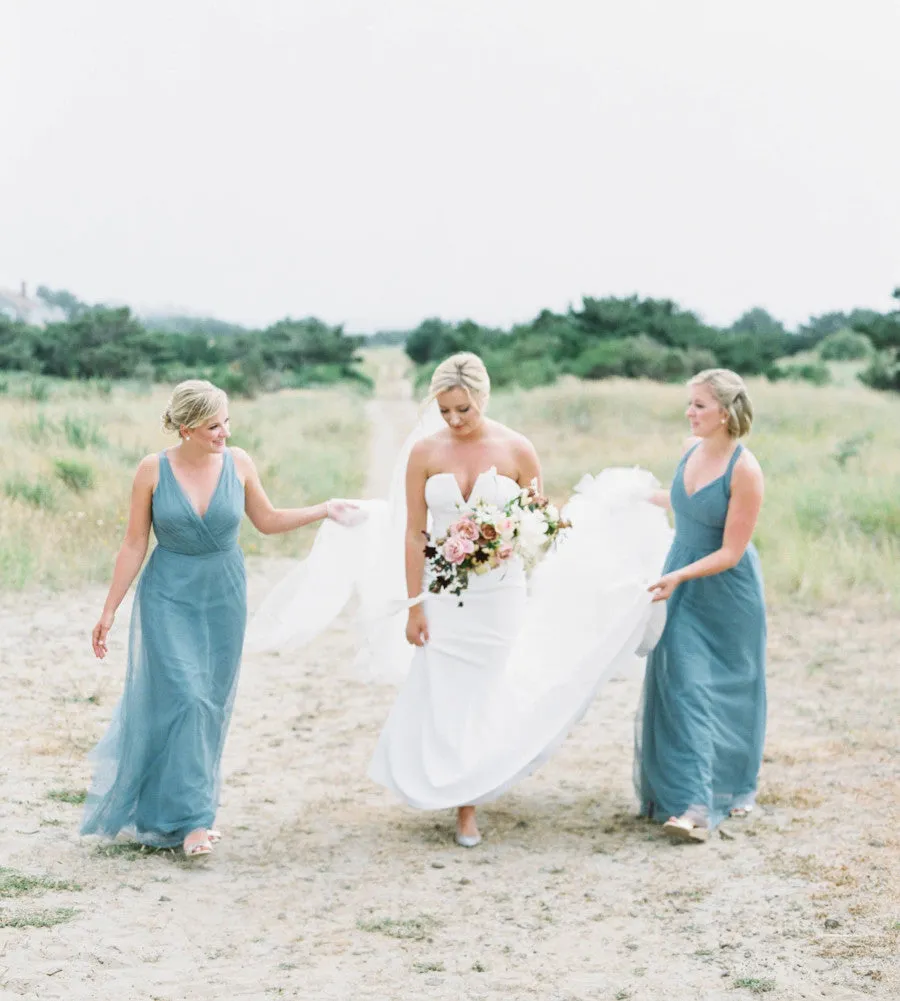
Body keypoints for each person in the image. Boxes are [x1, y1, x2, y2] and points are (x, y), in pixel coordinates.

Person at [247, 352, 671, 848]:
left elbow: (541, 521)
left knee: (487, 687)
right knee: (447, 690)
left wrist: (541, 535)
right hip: (442, 590)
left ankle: (469, 800)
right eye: (445, 410)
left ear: (482, 399)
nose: (453, 420)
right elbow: (412, 533)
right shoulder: (425, 453)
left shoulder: (518, 450)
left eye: (462, 410)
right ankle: (456, 791)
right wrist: (414, 605)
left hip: (499, 592)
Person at [82, 379, 357, 858]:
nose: (224, 432)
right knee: (183, 698)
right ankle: (192, 823)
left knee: (209, 703)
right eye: (214, 426)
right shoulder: (152, 470)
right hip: (167, 594)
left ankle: (184, 814)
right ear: (185, 428)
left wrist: (324, 510)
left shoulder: (240, 463)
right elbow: (133, 544)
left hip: (223, 596)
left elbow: (267, 521)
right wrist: (109, 609)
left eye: (227, 421)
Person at [638, 368, 766, 842]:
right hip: (680, 580)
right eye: (689, 403)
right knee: (683, 684)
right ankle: (689, 798)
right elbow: (682, 504)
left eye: (699, 405)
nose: (689, 412)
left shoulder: (745, 470)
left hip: (725, 589)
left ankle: (718, 794)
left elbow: (730, 552)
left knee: (726, 688)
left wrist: (678, 575)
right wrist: (625, 500)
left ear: (725, 412)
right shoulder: (688, 451)